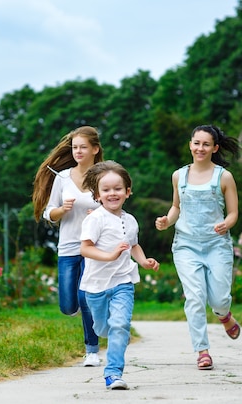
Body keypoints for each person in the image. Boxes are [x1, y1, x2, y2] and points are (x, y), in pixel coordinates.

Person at [155, 124, 241, 371]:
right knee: (195, 297)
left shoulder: (223, 177)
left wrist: (227, 223)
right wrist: (166, 221)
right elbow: (176, 208)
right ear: (190, 145)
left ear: (214, 148)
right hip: (186, 246)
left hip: (217, 245)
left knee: (219, 299)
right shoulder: (178, 176)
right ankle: (202, 351)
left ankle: (224, 315)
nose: (200, 148)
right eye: (196, 143)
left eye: (206, 144)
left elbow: (234, 212)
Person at [80, 160, 160, 390]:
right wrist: (110, 255)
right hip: (95, 286)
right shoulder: (94, 219)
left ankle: (113, 373)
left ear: (128, 191)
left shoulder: (131, 220)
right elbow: (85, 249)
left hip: (123, 282)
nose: (112, 193)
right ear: (97, 194)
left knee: (121, 325)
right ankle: (101, 329)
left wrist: (144, 261)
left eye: (117, 189)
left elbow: (133, 245)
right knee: (103, 328)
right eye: (106, 190)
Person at [32, 126, 103, 367]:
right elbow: (48, 213)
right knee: (68, 305)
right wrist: (62, 210)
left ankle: (91, 350)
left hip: (94, 247)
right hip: (68, 247)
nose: (78, 151)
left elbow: (116, 205)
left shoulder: (103, 176)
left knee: (86, 297)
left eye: (83, 147)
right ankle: (89, 312)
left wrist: (101, 212)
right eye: (75, 147)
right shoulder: (62, 178)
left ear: (95, 149)